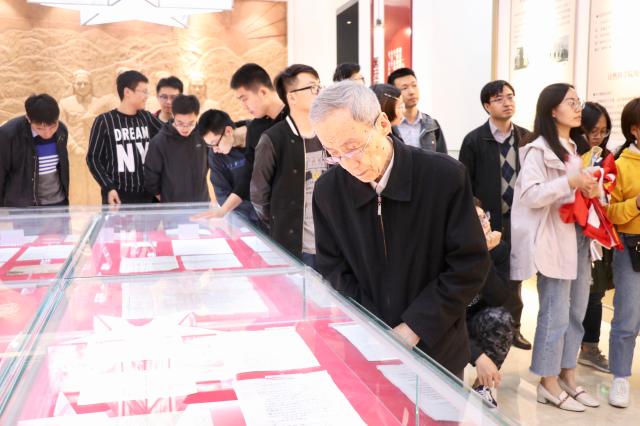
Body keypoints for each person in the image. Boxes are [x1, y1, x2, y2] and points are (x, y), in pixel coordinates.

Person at [310, 81, 490, 377]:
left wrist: (415, 326)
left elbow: (469, 264)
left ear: (382, 124)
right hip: (370, 343)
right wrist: (375, 325)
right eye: (333, 153)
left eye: (353, 147)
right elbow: (333, 266)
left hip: (438, 343)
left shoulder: (443, 176)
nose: (348, 162)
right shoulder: (329, 192)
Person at [511, 83, 599, 412]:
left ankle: (568, 376)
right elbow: (531, 195)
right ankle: (547, 381)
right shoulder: (536, 150)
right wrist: (570, 182)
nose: (578, 108)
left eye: (579, 102)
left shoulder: (573, 147)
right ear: (552, 109)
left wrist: (590, 187)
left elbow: (573, 192)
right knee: (555, 313)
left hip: (578, 236)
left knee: (577, 313)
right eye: (571, 102)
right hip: (553, 237)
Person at [459, 80, 532, 351]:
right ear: (487, 105)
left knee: (517, 276)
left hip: (520, 220)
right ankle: (487, 325)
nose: (507, 102)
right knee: (490, 275)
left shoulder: (527, 138)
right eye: (499, 99)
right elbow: (465, 183)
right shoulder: (474, 140)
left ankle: (514, 328)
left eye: (510, 97)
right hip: (489, 222)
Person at [251, 64, 327, 266]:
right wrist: (279, 221)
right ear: (292, 97)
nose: (319, 92)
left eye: (319, 86)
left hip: (330, 243)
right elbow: (259, 194)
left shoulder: (328, 132)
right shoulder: (273, 138)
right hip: (293, 244)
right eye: (312, 87)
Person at [573, 102, 614, 373]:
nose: (598, 136)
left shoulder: (609, 157)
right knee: (571, 296)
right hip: (574, 232)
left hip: (600, 235)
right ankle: (566, 352)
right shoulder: (571, 155)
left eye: (604, 131)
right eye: (593, 131)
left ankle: (589, 347)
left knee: (596, 292)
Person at [606, 98, 640, 408]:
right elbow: (610, 213)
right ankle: (620, 377)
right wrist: (637, 204)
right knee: (627, 315)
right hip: (632, 247)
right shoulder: (619, 164)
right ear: (634, 130)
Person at [86, 70, 162, 205]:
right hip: (118, 198)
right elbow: (93, 159)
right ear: (127, 92)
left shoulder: (147, 118)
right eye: (144, 92)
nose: (146, 96)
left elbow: (169, 136)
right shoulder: (104, 121)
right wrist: (108, 187)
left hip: (148, 197)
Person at [468, 198, 515, 407]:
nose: (485, 223)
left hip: (478, 319)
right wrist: (477, 355)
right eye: (476, 220)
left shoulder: (499, 249)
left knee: (502, 319)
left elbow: (499, 297)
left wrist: (485, 256)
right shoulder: (451, 249)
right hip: (449, 322)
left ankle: (482, 386)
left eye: (484, 217)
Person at [192, 109, 260, 226]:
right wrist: (254, 214)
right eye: (209, 145)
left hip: (276, 212)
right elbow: (222, 194)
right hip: (245, 220)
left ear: (228, 131)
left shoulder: (261, 133)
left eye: (215, 143)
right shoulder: (216, 155)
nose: (214, 149)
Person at [0, 94, 69, 207]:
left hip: (57, 202)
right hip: (23, 206)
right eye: (39, 128)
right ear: (28, 118)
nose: (47, 133)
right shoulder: (8, 134)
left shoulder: (62, 130)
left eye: (52, 127)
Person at [144, 95, 209, 203]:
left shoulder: (203, 136)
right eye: (180, 123)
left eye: (190, 123)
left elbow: (208, 165)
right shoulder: (159, 142)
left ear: (197, 116)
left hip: (201, 203)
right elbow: (151, 175)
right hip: (172, 205)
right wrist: (165, 198)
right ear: (173, 115)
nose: (185, 128)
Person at [230, 63, 287, 169]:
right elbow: (250, 173)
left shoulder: (298, 117)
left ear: (262, 92)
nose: (244, 107)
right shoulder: (254, 129)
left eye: (244, 99)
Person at [59, 69, 101, 205]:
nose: (82, 86)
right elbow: (61, 128)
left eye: (85, 83)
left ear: (91, 85)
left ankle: (97, 212)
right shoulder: (64, 103)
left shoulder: (99, 103)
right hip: (74, 153)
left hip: (95, 153)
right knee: (76, 186)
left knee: (96, 185)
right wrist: (74, 147)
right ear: (73, 84)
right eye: (79, 83)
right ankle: (78, 214)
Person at [387, 67, 447, 153]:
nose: (412, 92)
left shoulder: (432, 125)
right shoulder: (388, 126)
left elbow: (443, 158)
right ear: (393, 93)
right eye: (404, 88)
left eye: (414, 85)